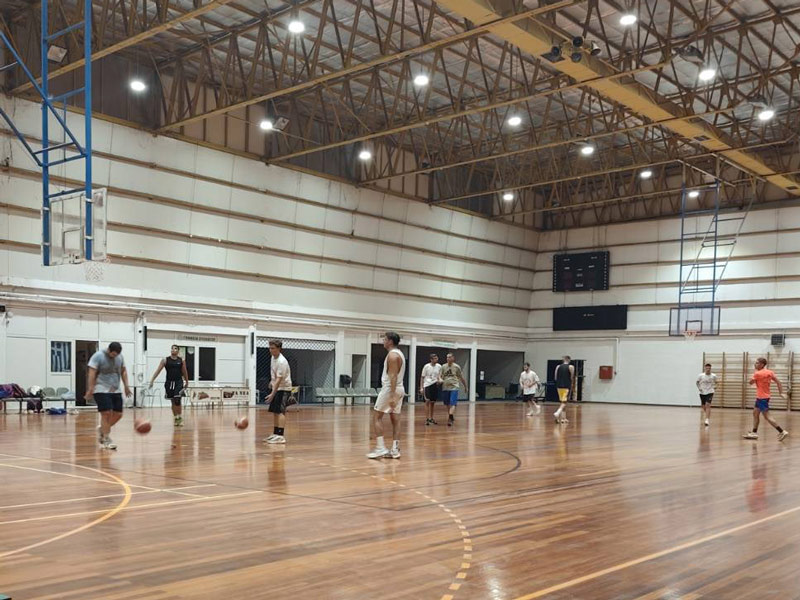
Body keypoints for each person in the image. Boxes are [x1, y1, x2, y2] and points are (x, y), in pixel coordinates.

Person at [86, 342, 131, 450]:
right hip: (100, 389)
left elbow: (123, 371)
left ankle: (102, 429)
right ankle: (106, 439)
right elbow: (91, 373)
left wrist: (126, 386)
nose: (114, 357)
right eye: (113, 354)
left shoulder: (120, 357)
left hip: (115, 389)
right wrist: (91, 388)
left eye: (116, 355)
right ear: (109, 350)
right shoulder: (98, 356)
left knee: (118, 414)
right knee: (106, 413)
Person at [367, 332, 406, 459]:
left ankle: (380, 448)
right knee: (396, 420)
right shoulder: (399, 353)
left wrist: (392, 396)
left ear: (390, 341)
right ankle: (395, 450)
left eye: (384, 339)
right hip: (399, 388)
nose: (383, 341)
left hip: (390, 389)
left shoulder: (392, 356)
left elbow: (393, 376)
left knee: (376, 417)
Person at [743, 357, 788, 441]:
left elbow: (750, 383)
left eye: (757, 363)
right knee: (755, 413)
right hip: (764, 397)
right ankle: (754, 433)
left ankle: (782, 431)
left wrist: (753, 377)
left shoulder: (757, 374)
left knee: (767, 416)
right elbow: (778, 382)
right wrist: (781, 393)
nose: (755, 364)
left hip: (761, 398)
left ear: (762, 364)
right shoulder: (770, 372)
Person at [149, 345, 189, 427]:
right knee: (173, 401)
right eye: (172, 348)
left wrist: (187, 381)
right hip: (169, 382)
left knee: (177, 399)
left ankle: (180, 418)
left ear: (178, 351)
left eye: (175, 348)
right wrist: (152, 380)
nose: (173, 350)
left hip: (178, 382)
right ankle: (176, 418)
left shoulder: (181, 360)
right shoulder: (165, 360)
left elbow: (184, 371)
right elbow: (158, 371)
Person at [264, 340, 293, 445]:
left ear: (279, 349)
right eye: (270, 348)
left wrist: (272, 394)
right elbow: (274, 375)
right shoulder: (273, 358)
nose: (270, 350)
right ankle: (276, 434)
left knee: (280, 411)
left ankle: (281, 436)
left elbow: (279, 379)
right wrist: (271, 383)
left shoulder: (282, 361)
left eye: (273, 348)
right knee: (275, 411)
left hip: (283, 388)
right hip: (277, 387)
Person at [440, 353, 468, 427]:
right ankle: (451, 416)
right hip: (445, 387)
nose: (448, 359)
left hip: (454, 387)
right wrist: (439, 380)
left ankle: (450, 417)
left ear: (453, 358)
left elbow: (461, 377)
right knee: (447, 403)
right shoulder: (443, 366)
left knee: (453, 403)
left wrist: (465, 386)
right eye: (447, 357)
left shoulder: (456, 367)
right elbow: (439, 376)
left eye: (449, 357)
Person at [420, 353, 442, 425]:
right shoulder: (426, 366)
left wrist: (439, 380)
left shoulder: (439, 366)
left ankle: (431, 418)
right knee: (427, 401)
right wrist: (421, 387)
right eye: (434, 358)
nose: (436, 359)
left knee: (432, 402)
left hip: (434, 385)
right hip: (427, 385)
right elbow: (422, 377)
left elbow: (439, 376)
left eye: (437, 358)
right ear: (431, 359)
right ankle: (427, 419)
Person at [553, 356, 574, 424]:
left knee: (562, 402)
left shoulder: (558, 366)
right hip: (566, 386)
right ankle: (557, 413)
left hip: (559, 386)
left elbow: (555, 377)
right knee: (564, 402)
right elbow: (571, 377)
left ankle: (563, 418)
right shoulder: (571, 367)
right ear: (569, 360)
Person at [696, 363, 717, 427]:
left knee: (708, 404)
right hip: (702, 392)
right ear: (705, 368)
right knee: (703, 406)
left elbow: (717, 382)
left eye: (709, 368)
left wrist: (716, 386)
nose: (708, 369)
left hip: (710, 391)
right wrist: (699, 388)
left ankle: (707, 419)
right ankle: (708, 413)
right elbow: (697, 382)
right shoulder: (700, 375)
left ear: (710, 369)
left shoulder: (713, 376)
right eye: (707, 368)